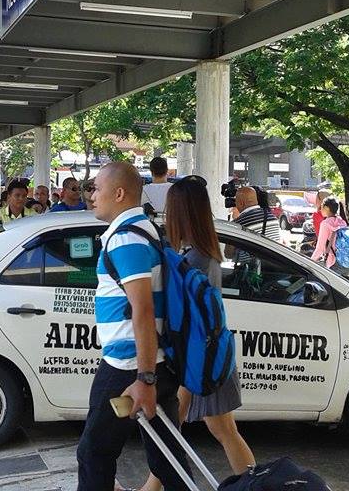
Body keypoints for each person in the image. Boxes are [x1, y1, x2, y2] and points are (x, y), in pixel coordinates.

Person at [78, 161, 193, 491]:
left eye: (96, 189)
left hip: (128, 366)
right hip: (153, 361)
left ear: (118, 193)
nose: (92, 196)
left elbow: (142, 309)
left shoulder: (126, 239)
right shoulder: (144, 231)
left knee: (94, 454)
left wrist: (144, 378)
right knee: (167, 458)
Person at [137, 176, 255, 491]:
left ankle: (258, 485)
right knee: (187, 430)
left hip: (199, 357)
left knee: (215, 431)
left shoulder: (193, 260)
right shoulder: (204, 251)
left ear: (181, 212)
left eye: (171, 209)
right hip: (207, 353)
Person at [310, 196, 349, 275]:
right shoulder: (342, 222)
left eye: (321, 206)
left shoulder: (325, 224)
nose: (320, 209)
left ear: (326, 208)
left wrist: (309, 263)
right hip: (346, 261)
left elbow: (320, 249)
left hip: (333, 263)